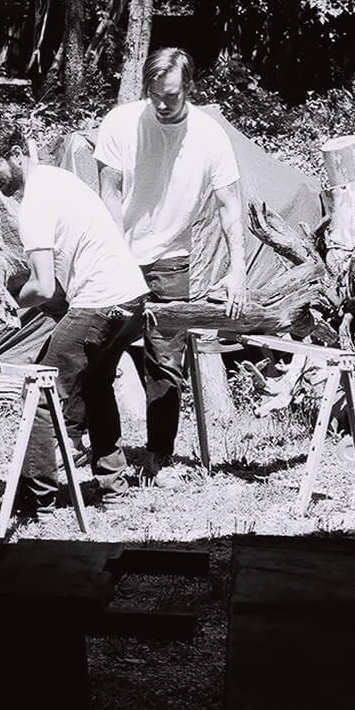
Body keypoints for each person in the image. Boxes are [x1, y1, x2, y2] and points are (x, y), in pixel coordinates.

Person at [0, 118, 149, 515]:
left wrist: (0, 303)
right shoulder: (59, 179)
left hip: (100, 302)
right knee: (98, 387)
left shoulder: (33, 203)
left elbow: (44, 286)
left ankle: (39, 502)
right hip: (132, 299)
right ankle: (114, 488)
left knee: (39, 394)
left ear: (16, 155)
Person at [94, 47, 246, 488]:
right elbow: (108, 194)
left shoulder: (210, 136)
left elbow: (229, 204)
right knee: (98, 353)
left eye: (173, 96)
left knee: (164, 362)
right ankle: (103, 455)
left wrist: (237, 269)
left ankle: (158, 457)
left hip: (172, 259)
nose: (162, 104)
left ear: (189, 88)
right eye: (155, 94)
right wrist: (112, 255)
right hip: (120, 255)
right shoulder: (121, 123)